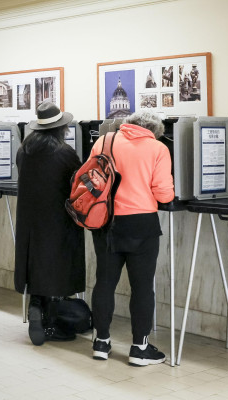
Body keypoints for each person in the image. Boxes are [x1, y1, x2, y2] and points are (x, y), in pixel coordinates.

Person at [89, 111, 174, 366]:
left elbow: (92, 178)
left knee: (104, 282)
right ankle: (139, 348)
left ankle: (101, 343)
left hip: (105, 220)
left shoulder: (104, 141)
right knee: (142, 286)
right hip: (141, 224)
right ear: (154, 130)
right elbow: (164, 194)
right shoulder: (157, 148)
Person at [14, 101, 84, 346]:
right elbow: (77, 184)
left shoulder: (23, 150)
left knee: (35, 262)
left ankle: (36, 304)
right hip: (58, 219)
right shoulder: (64, 152)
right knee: (58, 265)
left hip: (29, 220)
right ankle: (52, 321)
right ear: (60, 128)